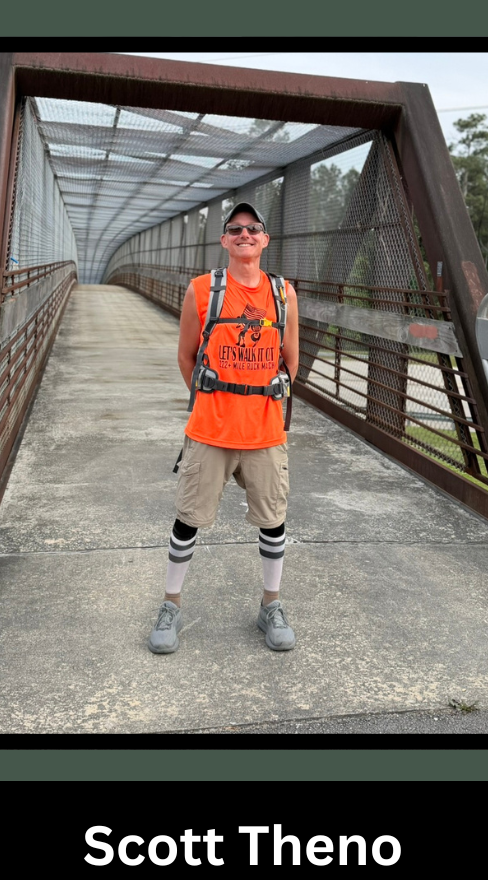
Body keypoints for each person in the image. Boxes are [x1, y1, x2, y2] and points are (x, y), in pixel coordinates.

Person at [148, 202, 299, 654]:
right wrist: (212, 399)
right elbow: (185, 356)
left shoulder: (283, 294)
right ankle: (171, 605)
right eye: (235, 229)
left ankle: (270, 605)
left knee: (273, 522)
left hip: (265, 433)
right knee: (187, 521)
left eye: (253, 229)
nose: (245, 235)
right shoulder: (202, 290)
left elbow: (291, 361)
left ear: (265, 240)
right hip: (210, 430)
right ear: (224, 240)